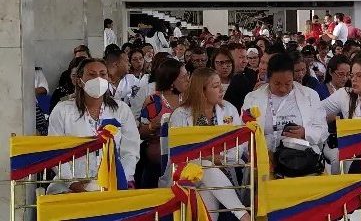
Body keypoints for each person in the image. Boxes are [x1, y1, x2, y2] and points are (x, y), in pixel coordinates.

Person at [47, 58, 140, 193]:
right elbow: (54, 152)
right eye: (91, 74)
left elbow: (130, 151)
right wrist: (73, 184)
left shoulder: (121, 110)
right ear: (79, 81)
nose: (98, 79)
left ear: (108, 79)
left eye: (102, 74)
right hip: (69, 188)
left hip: (114, 186)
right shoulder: (62, 110)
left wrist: (118, 180)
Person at [168, 68, 250, 221]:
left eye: (221, 85)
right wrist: (211, 159)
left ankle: (240, 215)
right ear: (201, 91)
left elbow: (239, 146)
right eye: (215, 86)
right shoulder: (180, 115)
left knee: (206, 180)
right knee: (204, 164)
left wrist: (221, 159)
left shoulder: (229, 109)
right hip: (188, 173)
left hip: (222, 171)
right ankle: (243, 214)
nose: (221, 90)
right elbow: (179, 151)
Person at [242, 53, 327, 158]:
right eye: (277, 83)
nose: (282, 89)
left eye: (288, 83)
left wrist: (305, 133)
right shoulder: (252, 98)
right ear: (268, 78)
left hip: (300, 159)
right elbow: (243, 133)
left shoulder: (309, 95)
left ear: (293, 77)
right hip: (263, 158)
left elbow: (323, 130)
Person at [137, 59, 188, 188]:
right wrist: (152, 126)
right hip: (157, 163)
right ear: (171, 80)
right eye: (183, 77)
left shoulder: (188, 99)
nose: (188, 79)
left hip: (185, 161)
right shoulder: (154, 101)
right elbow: (141, 133)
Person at [224, 43, 257, 110]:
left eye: (246, 57)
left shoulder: (252, 76)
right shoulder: (215, 77)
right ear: (229, 59)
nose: (245, 61)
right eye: (241, 57)